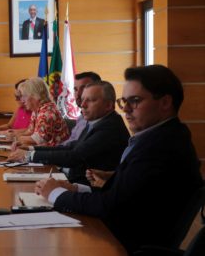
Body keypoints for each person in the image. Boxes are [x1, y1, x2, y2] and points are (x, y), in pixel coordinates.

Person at [34, 65, 203, 253]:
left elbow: (110, 206)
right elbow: (123, 196)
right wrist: (75, 188)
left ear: (165, 103)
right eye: (125, 102)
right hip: (119, 234)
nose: (127, 109)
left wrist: (56, 194)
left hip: (123, 243)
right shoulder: (163, 137)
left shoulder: (160, 147)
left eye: (135, 101)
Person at [9, 81, 129, 184]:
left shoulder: (109, 128)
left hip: (84, 185)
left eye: (90, 100)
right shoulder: (97, 121)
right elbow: (70, 147)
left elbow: (75, 157)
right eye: (82, 100)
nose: (82, 105)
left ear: (108, 105)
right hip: (71, 177)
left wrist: (29, 156)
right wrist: (31, 150)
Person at [13, 78, 69, 146]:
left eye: (24, 96)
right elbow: (30, 131)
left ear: (35, 95)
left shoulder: (47, 112)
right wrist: (15, 135)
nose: (22, 100)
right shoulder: (36, 110)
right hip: (43, 150)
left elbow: (38, 140)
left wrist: (15, 138)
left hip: (55, 153)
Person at [62, 71, 101, 145]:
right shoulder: (81, 117)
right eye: (75, 89)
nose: (78, 94)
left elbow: (76, 153)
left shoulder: (99, 123)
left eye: (84, 89)